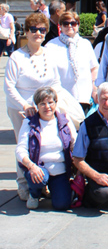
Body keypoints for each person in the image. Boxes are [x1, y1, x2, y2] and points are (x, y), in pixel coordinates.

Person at [4, 12, 61, 201]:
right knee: (24, 146)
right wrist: (24, 105)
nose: (38, 33)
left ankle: (40, 181)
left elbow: (56, 82)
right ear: (26, 33)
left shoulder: (50, 55)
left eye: (42, 29)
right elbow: (9, 85)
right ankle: (23, 184)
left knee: (43, 144)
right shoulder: (17, 57)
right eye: (34, 30)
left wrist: (53, 102)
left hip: (44, 106)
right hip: (22, 107)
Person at [16, 86, 76, 211]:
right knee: (40, 178)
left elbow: (74, 144)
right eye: (42, 104)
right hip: (39, 168)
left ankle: (56, 189)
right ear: (37, 106)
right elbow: (20, 150)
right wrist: (32, 166)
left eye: (50, 102)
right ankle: (34, 194)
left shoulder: (64, 120)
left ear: (55, 103)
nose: (47, 107)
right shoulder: (29, 123)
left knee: (62, 205)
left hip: (60, 169)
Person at [46, 10, 99, 114]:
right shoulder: (51, 46)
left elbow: (94, 67)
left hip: (84, 96)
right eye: (65, 23)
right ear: (60, 26)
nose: (69, 26)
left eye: (73, 23)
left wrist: (93, 87)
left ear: (78, 25)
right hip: (62, 98)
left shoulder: (85, 44)